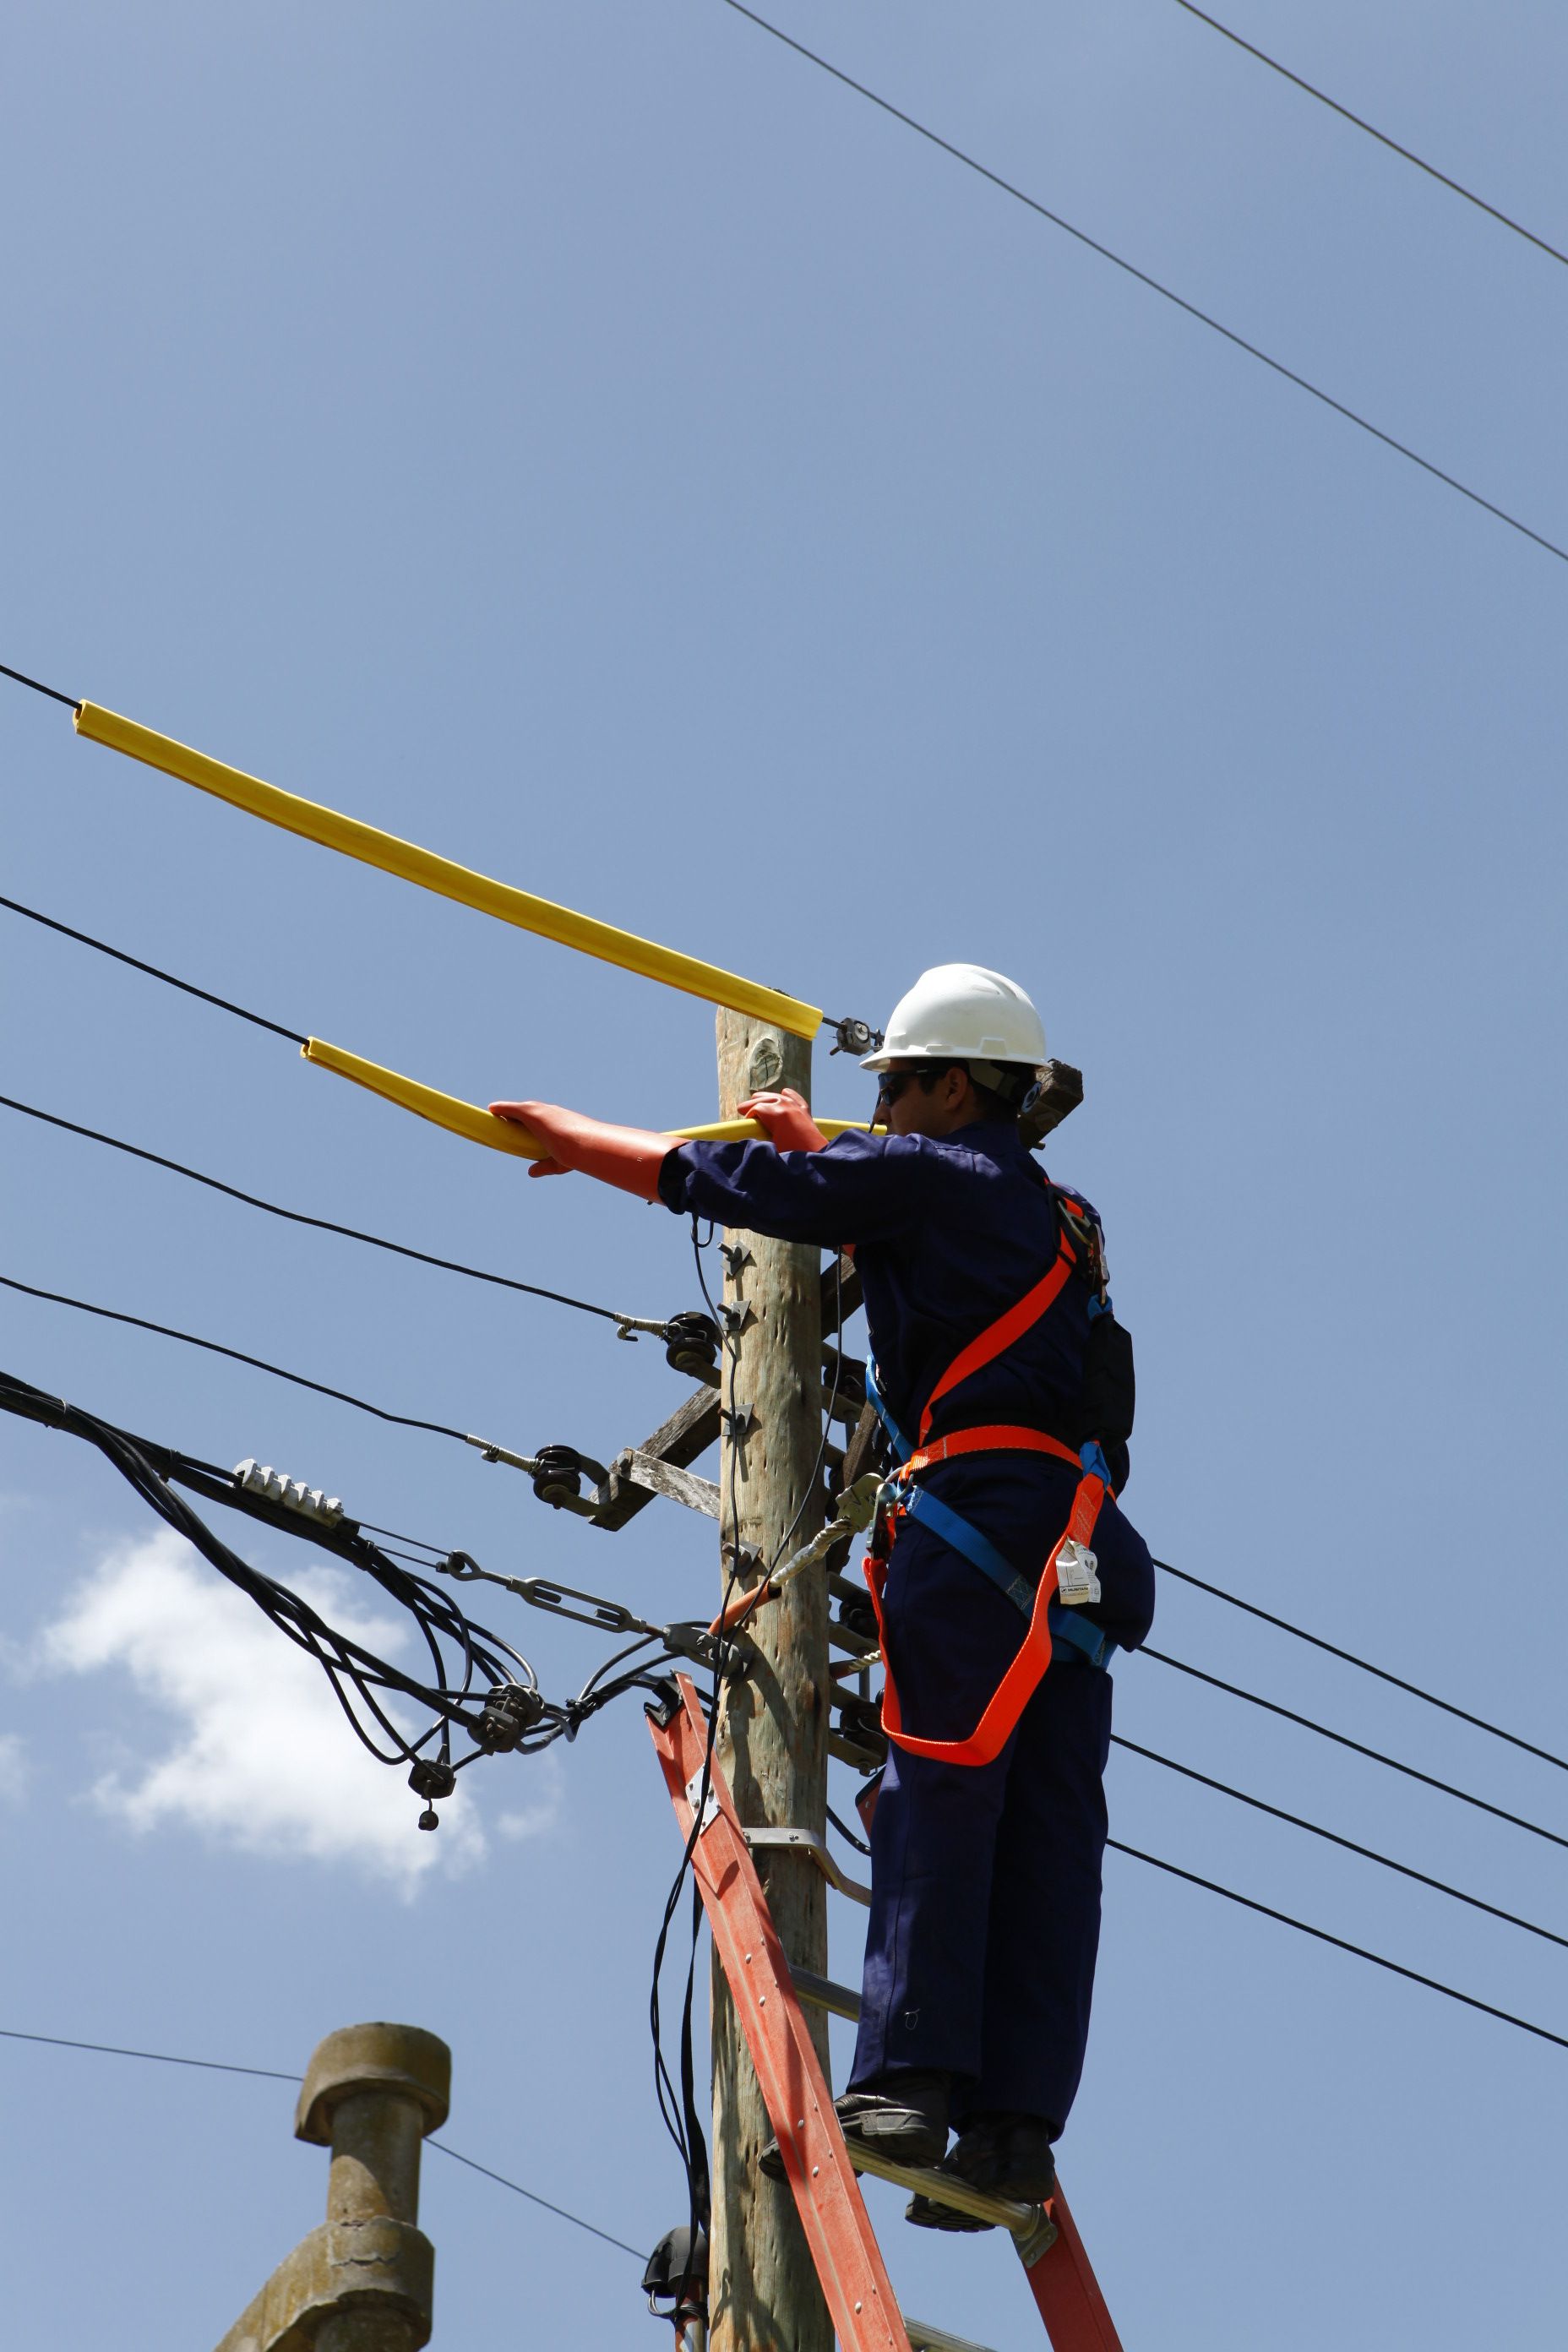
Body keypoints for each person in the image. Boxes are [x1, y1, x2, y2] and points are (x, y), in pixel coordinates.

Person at [491, 962, 1154, 2223]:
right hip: (1084, 1555)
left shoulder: (927, 1176)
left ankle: (905, 2081)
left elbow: (737, 1184)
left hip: (975, 1532)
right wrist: (825, 1145)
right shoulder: (1066, 1225)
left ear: (957, 1085)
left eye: (899, 1086)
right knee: (1048, 1839)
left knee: (940, 1790)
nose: (888, 1109)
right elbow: (916, 1236)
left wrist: (582, 1144)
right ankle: (1013, 2138)